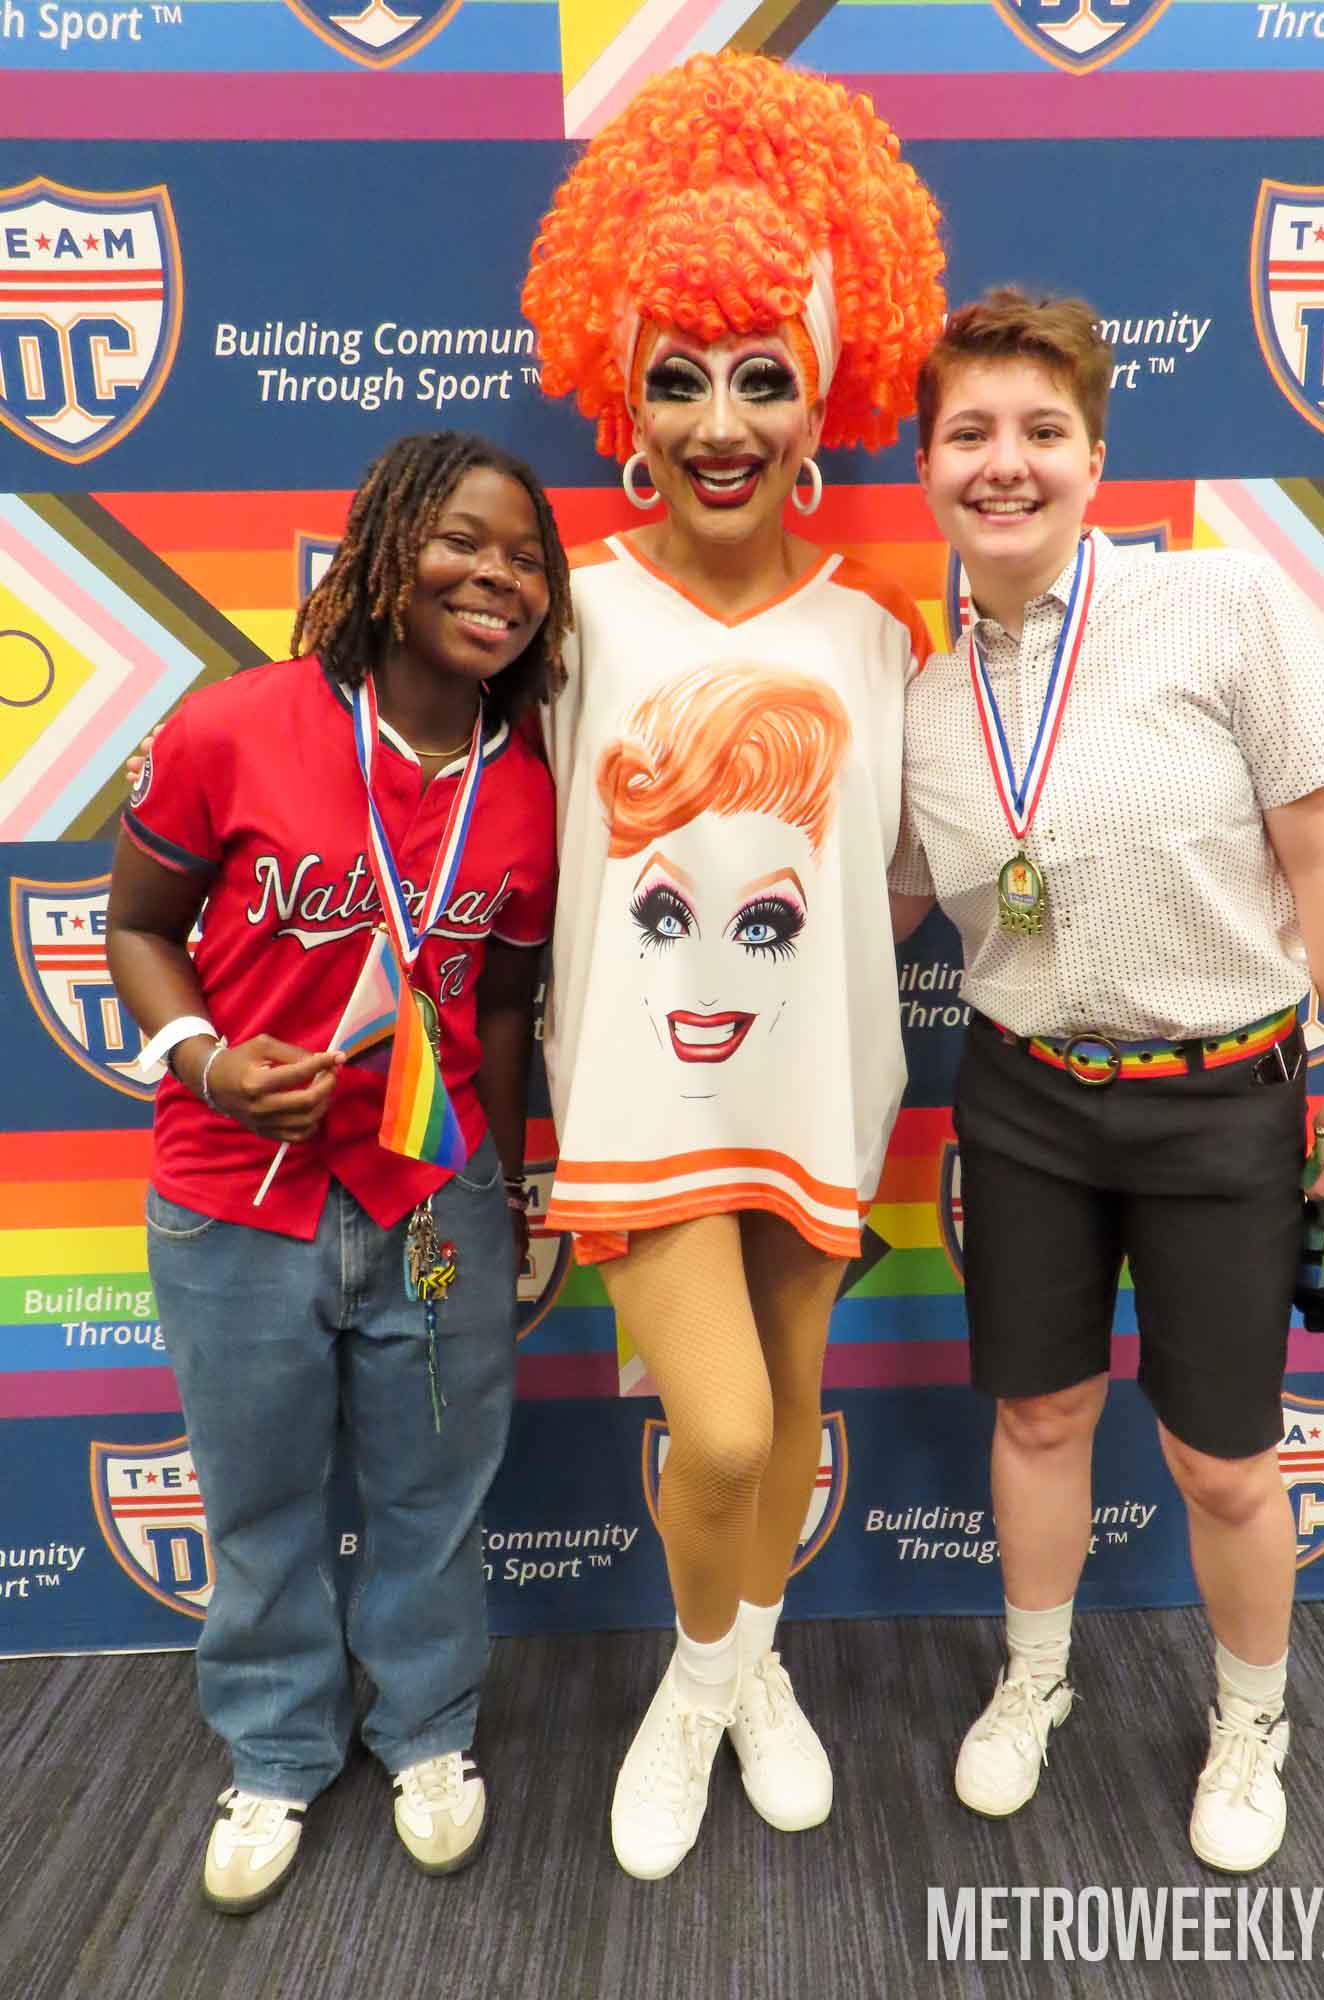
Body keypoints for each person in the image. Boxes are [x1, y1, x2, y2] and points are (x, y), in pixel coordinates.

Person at [890, 289, 1324, 1872]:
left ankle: (1253, 1718)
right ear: (925, 465)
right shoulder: (922, 702)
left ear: (1097, 460)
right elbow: (873, 908)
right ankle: (1035, 1677)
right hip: (1022, 1097)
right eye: (969, 432)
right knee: (1041, 1412)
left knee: (1222, 1457)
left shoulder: (1220, 606)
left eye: (1042, 430)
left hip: (1222, 1100)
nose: (1005, 462)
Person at [522, 50, 944, 1878]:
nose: (719, 421)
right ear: (621, 393)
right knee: (720, 1426)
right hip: (639, 1097)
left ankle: (747, 1673)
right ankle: (695, 1693)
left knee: (789, 1417)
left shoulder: (877, 634)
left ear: (822, 395)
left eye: (762, 377)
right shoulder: (568, 614)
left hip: (820, 1086)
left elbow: (906, 878)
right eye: (678, 376)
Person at [106, 431, 571, 1912]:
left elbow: (506, 1011)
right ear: (382, 552)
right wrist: (206, 1061)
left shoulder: (528, 786)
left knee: (435, 1493)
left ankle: (427, 1732)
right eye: (462, 541)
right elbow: (136, 926)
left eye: (526, 559)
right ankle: (275, 1748)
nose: (496, 577)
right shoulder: (233, 726)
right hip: (236, 1192)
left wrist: (513, 1190)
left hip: (434, 1197)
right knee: (259, 1504)